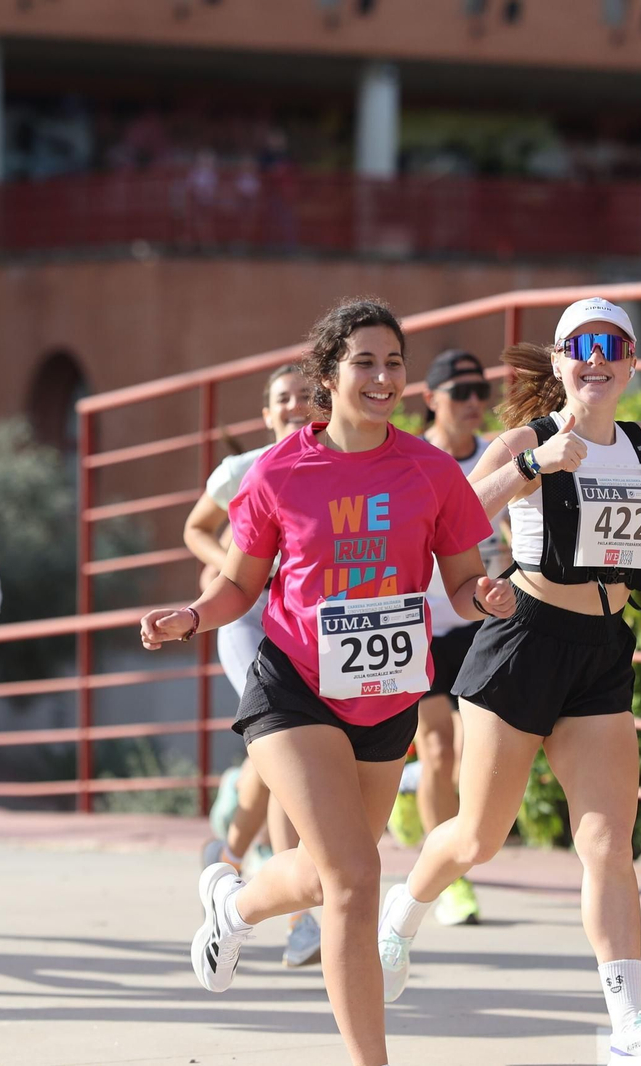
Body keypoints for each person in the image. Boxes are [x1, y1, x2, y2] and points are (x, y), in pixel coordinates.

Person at [376, 298, 641, 1066]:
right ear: (561, 363)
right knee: (479, 837)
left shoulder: (640, 442)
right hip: (524, 642)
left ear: (630, 364)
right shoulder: (528, 439)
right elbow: (451, 514)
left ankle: (629, 1024)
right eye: (580, 347)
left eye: (612, 345)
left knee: (607, 844)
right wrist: (535, 466)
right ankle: (399, 920)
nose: (596, 358)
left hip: (602, 649)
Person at [141, 298, 515, 1066]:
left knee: (321, 876)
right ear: (328, 375)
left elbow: (462, 584)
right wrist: (192, 615)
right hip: (294, 688)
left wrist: (490, 598)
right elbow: (240, 587)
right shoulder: (277, 472)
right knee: (356, 876)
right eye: (364, 362)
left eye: (393, 363)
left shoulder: (431, 470)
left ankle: (232, 905)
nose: (382, 377)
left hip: (387, 694)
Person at [182, 364, 323, 967]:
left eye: (302, 397)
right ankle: (301, 920)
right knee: (282, 740)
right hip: (244, 619)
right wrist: (239, 567)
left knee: (271, 757)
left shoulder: (331, 460)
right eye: (281, 400)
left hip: (304, 621)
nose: (293, 407)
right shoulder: (242, 470)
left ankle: (228, 855)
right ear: (266, 415)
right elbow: (194, 529)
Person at [385, 349, 507, 929]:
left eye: (480, 391)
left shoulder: (499, 456)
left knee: (472, 750)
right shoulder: (413, 461)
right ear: (430, 399)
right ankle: (450, 885)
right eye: (460, 393)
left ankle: (413, 802)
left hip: (480, 616)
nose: (474, 403)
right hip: (422, 620)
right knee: (437, 746)